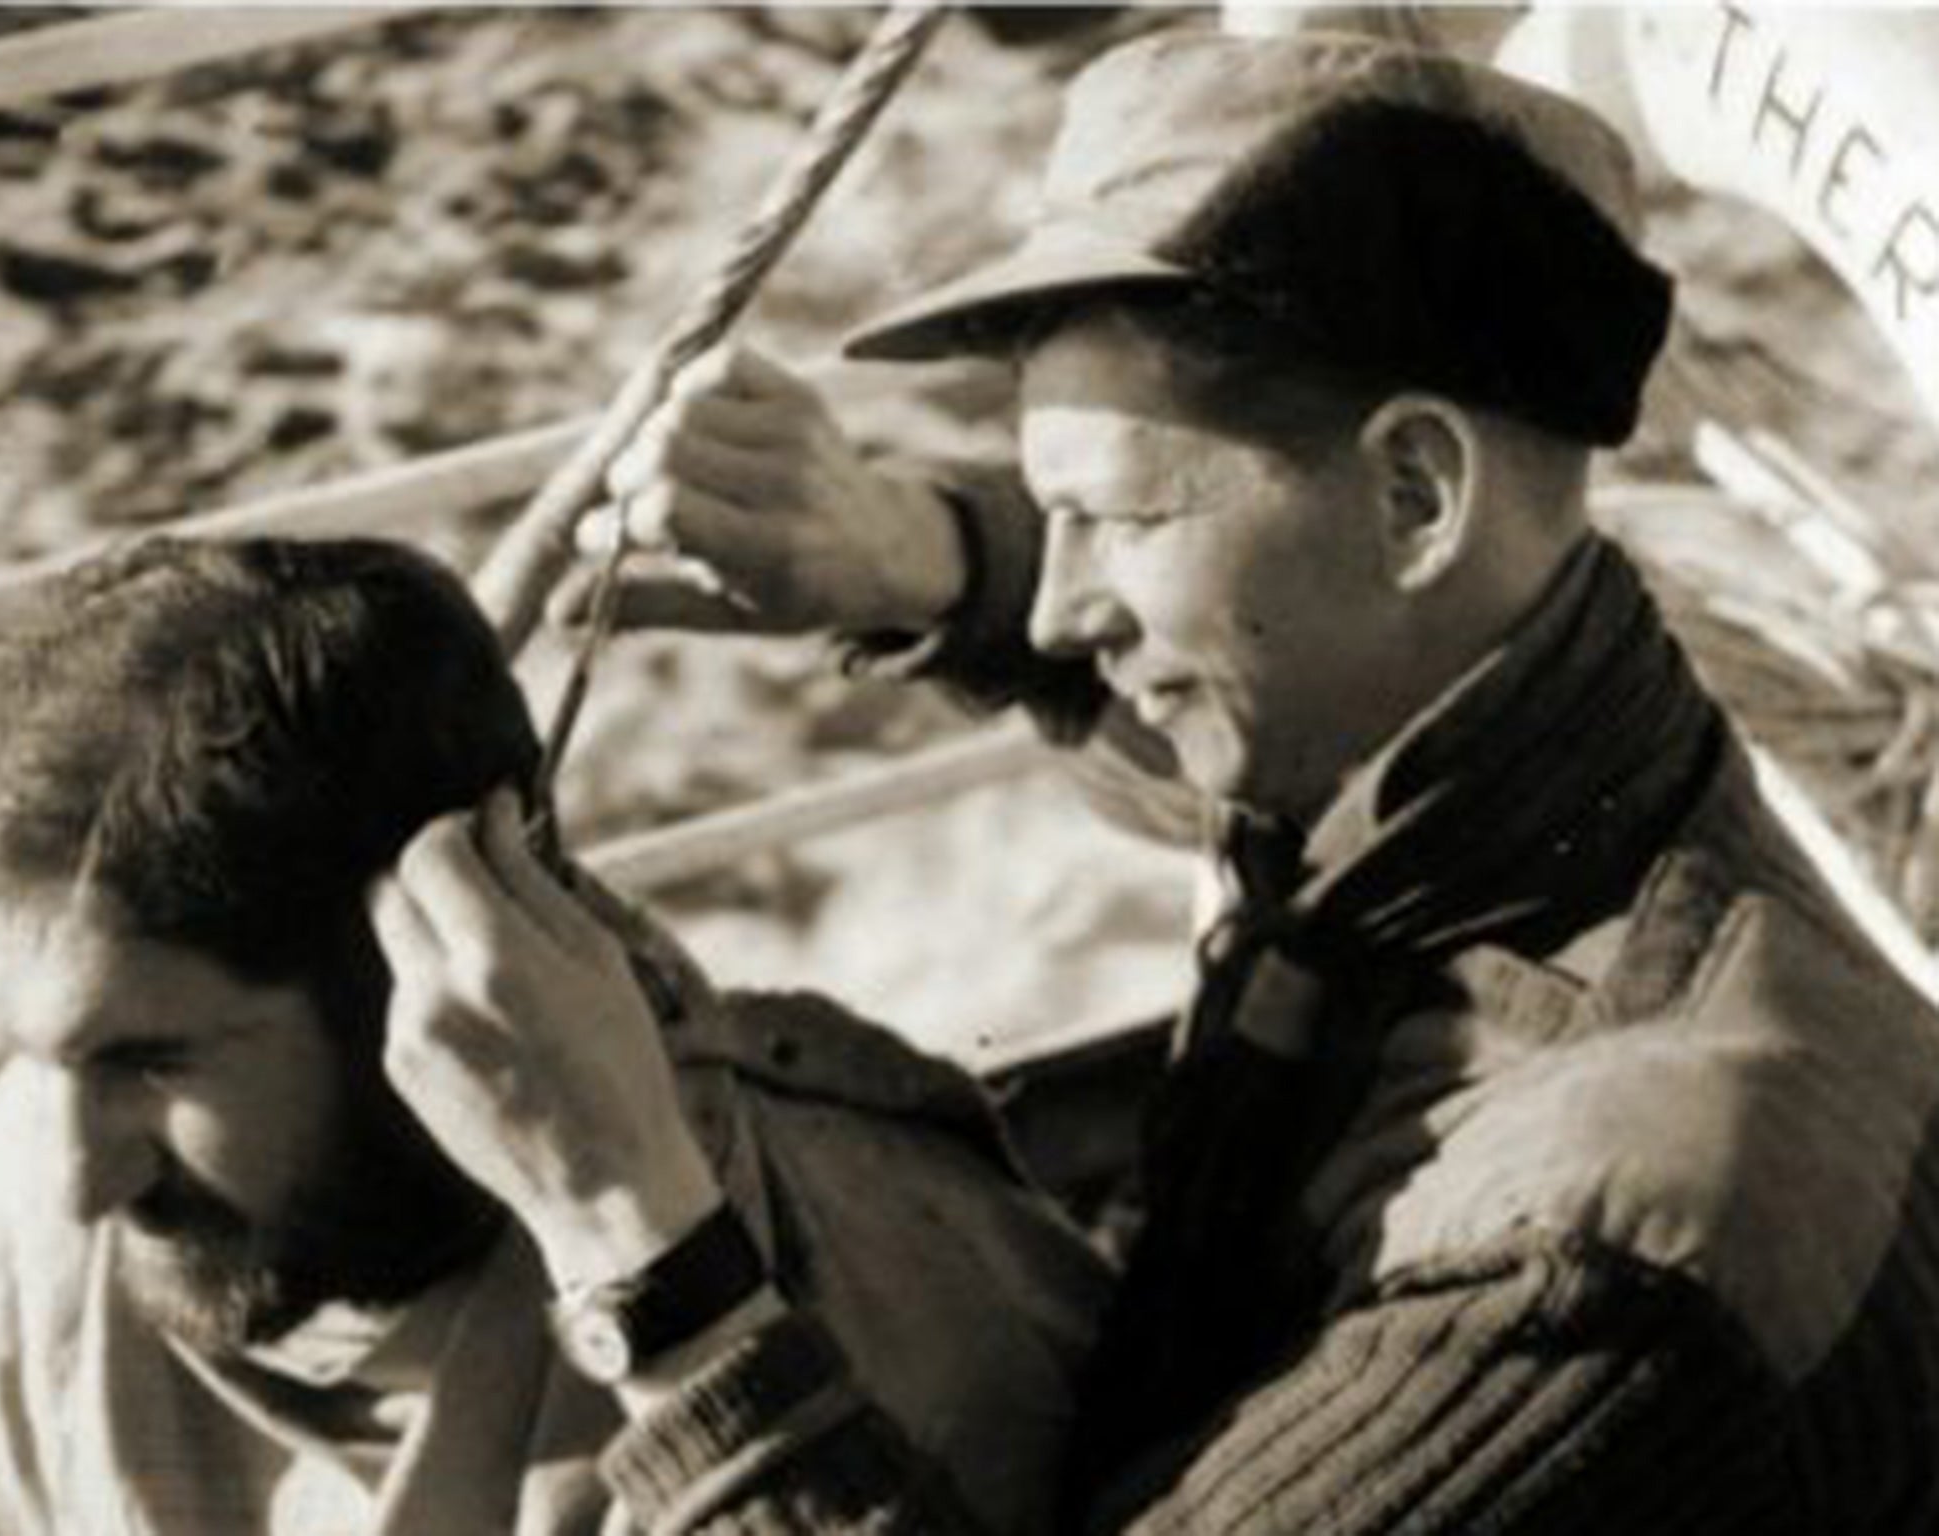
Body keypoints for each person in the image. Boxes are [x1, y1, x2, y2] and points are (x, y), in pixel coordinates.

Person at [372, 26, 1939, 1535]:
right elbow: (1235, 793)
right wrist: (917, 561)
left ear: (1414, 494)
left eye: (1114, 522)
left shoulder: (1607, 1244)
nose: (1059, 610)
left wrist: (636, 1241)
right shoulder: (1505, 767)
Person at [0, 536, 1106, 1535]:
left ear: (433, 962)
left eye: (150, 1065)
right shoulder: (43, 1153)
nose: (73, 1184)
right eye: (22, 1050)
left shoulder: (900, 1313)